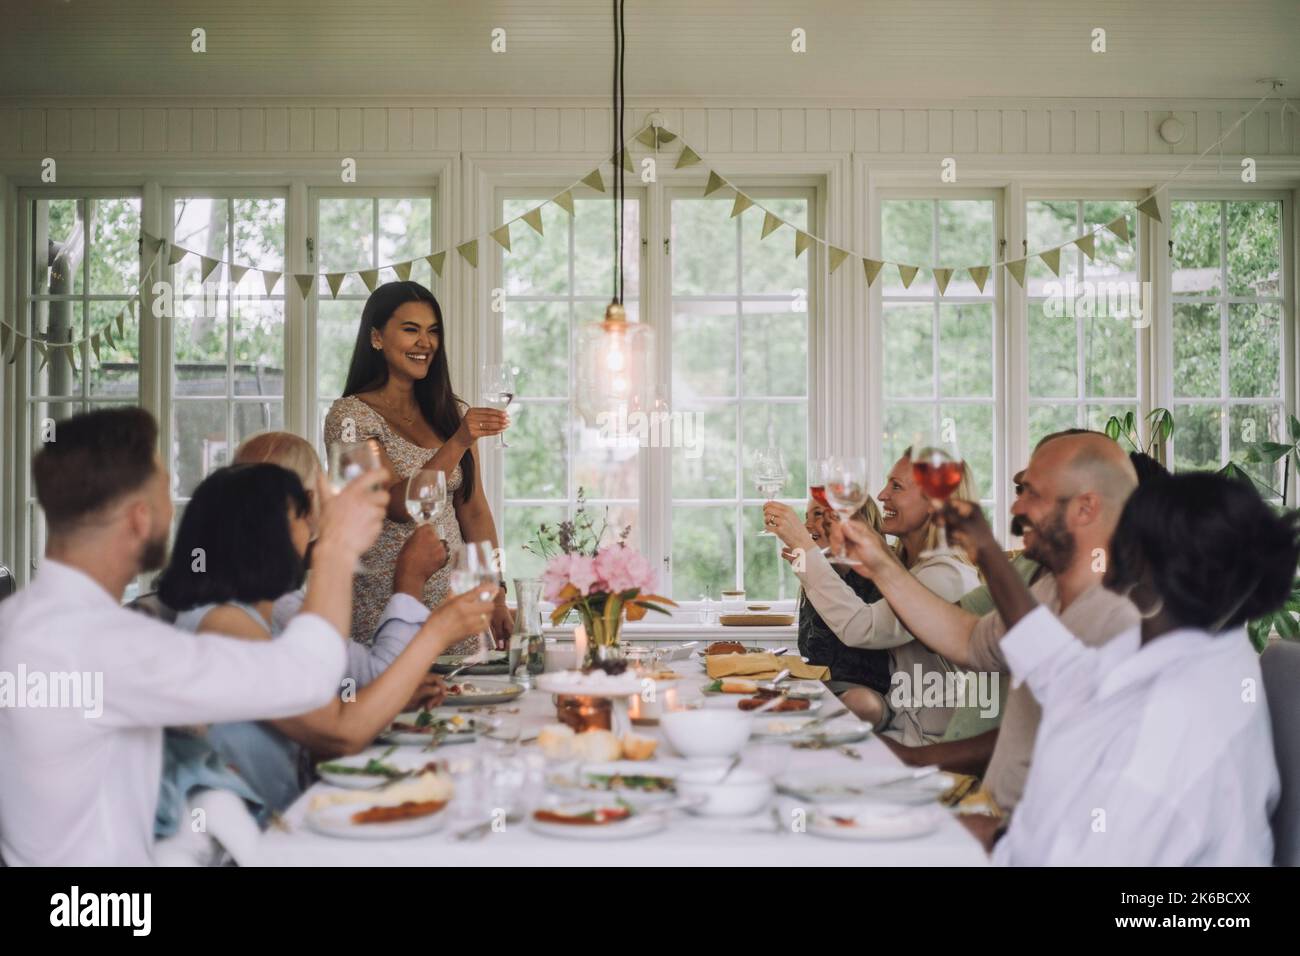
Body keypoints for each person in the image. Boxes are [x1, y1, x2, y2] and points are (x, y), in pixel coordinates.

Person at [0, 408, 387, 866]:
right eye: (167, 491)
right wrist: (339, 548)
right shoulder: (101, 644)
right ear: (140, 519)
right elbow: (302, 677)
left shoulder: (19, 619)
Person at [939, 470, 1289, 864]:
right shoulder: (1198, 643)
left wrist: (998, 843)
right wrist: (984, 546)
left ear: (1144, 560)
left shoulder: (1171, 724)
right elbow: (1063, 671)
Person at [157, 463, 498, 812]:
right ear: (261, 535)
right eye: (303, 519)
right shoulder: (223, 626)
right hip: (261, 840)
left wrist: (385, 702)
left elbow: (314, 728)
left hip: (290, 817)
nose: (313, 531)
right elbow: (340, 735)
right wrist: (437, 631)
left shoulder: (252, 614)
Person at [838, 431, 1140, 821]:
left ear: (1086, 508)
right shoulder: (1047, 590)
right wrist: (879, 564)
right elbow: (967, 639)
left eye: (1032, 492)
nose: (1016, 506)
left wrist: (987, 551)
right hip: (990, 816)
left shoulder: (1125, 617)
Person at [324, 281, 512, 649]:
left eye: (433, 332)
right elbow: (395, 505)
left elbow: (474, 512)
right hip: (385, 608)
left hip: (456, 608)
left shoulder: (450, 411)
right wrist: (458, 441)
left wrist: (496, 590)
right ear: (376, 337)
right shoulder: (349, 417)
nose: (425, 343)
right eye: (411, 330)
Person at [766, 450, 981, 744]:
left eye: (896, 486)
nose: (881, 495)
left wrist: (804, 546)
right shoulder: (905, 566)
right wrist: (806, 556)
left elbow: (862, 628)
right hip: (900, 729)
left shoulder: (945, 576)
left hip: (934, 742)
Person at [234, 430, 450, 698]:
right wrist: (410, 579)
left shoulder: (250, 583)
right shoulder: (273, 604)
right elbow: (378, 679)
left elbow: (333, 692)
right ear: (311, 498)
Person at [774, 495, 892, 696]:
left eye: (818, 515)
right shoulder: (818, 576)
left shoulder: (880, 579)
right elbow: (813, 652)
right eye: (806, 517)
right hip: (821, 687)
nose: (806, 526)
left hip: (864, 693)